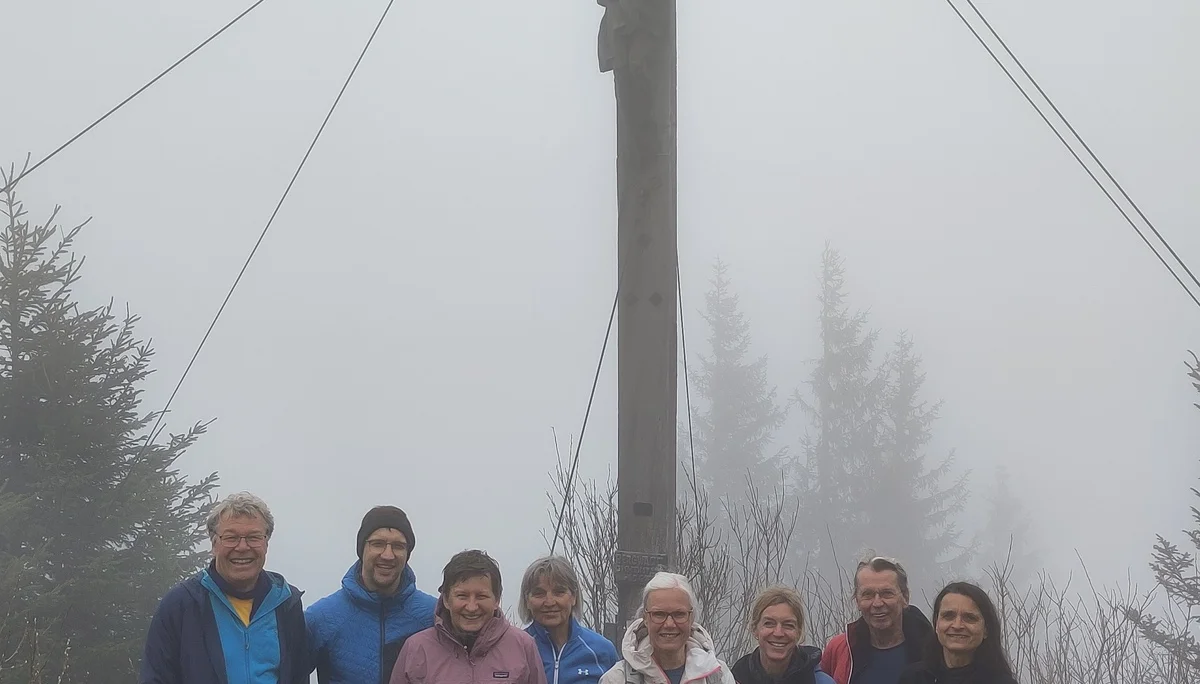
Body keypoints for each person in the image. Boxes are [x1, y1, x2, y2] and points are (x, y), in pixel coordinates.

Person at [140, 491, 308, 684]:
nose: (242, 547)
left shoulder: (286, 604)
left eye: (253, 537)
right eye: (231, 538)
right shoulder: (181, 605)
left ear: (266, 543)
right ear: (214, 544)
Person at [306, 505, 437, 684]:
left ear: (408, 554)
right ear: (361, 549)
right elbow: (289, 674)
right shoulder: (321, 617)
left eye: (398, 546)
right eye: (378, 544)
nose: (388, 555)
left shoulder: (434, 615)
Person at [390, 549, 547, 684]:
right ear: (446, 599)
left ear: (497, 599)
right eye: (462, 596)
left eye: (481, 596)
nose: (472, 607)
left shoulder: (523, 646)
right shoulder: (416, 648)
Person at [599, 572, 735, 684]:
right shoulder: (617, 679)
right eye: (659, 614)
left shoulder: (718, 676)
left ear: (691, 618)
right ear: (645, 618)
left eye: (679, 614)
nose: (669, 624)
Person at [821, 555, 933, 684]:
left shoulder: (932, 649)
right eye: (868, 594)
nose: (877, 603)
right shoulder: (839, 649)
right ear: (857, 601)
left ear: (905, 597)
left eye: (887, 593)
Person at [520, 556, 619, 684]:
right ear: (527, 600)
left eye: (559, 592)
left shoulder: (602, 649)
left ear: (574, 597)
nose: (549, 602)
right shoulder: (515, 649)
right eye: (539, 593)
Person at [898, 582, 1017, 684]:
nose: (957, 625)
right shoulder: (913, 678)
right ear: (936, 624)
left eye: (969, 618)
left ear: (986, 629)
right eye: (948, 616)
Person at [732, 586, 835, 684]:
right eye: (769, 623)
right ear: (755, 628)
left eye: (788, 625)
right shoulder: (733, 680)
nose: (778, 633)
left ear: (798, 632)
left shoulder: (820, 682)